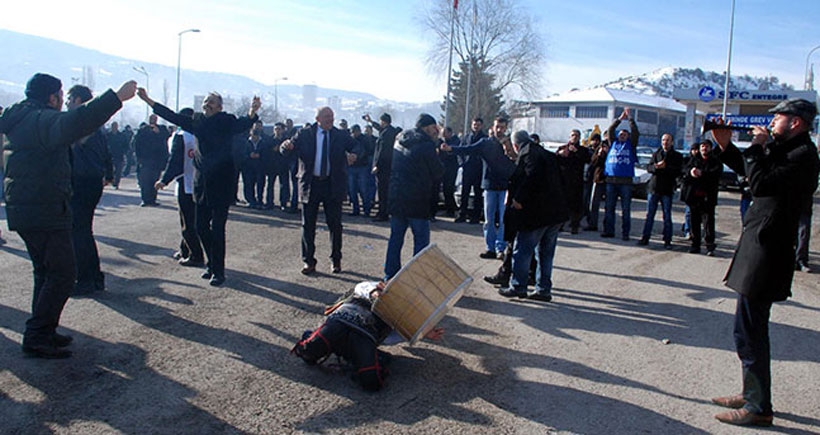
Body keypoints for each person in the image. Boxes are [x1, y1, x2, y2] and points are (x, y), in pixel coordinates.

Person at [0, 73, 136, 358]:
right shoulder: (41, 120)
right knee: (63, 273)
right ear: (52, 97)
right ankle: (37, 334)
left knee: (45, 271)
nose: (63, 101)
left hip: (28, 206)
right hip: (45, 207)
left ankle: (43, 330)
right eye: (60, 95)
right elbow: (76, 121)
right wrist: (116, 97)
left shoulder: (20, 117)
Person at [709, 99, 820, 427]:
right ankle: (751, 392)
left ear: (797, 122)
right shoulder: (786, 149)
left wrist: (757, 146)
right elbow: (750, 171)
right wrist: (727, 148)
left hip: (769, 252)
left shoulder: (803, 156)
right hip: (759, 246)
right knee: (745, 328)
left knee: (752, 330)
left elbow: (759, 183)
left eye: (778, 118)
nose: (771, 123)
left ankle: (759, 407)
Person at [137, 89, 260, 286]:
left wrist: (253, 111)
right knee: (200, 227)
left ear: (219, 106)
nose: (206, 104)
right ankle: (211, 264)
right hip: (201, 183)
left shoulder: (226, 121)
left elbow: (244, 123)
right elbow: (171, 115)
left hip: (222, 182)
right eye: (205, 101)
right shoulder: (197, 121)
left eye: (211, 102)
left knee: (218, 229)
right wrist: (147, 100)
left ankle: (218, 271)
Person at [291, 280, 444, 391]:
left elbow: (392, 337)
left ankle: (363, 358)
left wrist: (422, 332)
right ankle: (311, 337)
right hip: (342, 321)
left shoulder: (400, 316)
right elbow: (361, 287)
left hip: (364, 337)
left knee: (371, 384)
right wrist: (375, 293)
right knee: (308, 351)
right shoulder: (375, 287)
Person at [281, 106, 361, 275]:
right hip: (311, 184)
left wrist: (354, 154)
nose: (330, 120)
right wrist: (285, 146)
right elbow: (289, 149)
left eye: (332, 117)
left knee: (335, 225)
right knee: (308, 225)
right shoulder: (305, 134)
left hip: (332, 184)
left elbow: (357, 146)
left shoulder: (340, 135)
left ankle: (336, 260)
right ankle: (308, 261)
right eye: (326, 117)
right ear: (318, 118)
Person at [497, 130, 568, 302]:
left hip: (537, 213)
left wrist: (519, 199)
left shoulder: (528, 154)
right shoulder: (546, 154)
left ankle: (518, 286)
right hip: (556, 212)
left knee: (522, 250)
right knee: (545, 253)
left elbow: (530, 177)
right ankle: (543, 289)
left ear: (516, 144)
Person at [442, 117, 516, 260]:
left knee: (502, 220)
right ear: (493, 127)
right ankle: (490, 248)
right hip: (489, 185)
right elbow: (468, 149)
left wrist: (510, 151)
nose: (499, 130)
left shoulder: (510, 144)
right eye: (497, 127)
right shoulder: (485, 143)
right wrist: (451, 149)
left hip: (505, 186)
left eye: (502, 127)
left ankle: (500, 248)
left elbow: (517, 161)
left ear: (506, 128)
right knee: (489, 220)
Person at [65, 85, 114, 296]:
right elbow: (106, 154)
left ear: (77, 100)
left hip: (82, 181)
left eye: (69, 99)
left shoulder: (83, 122)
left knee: (79, 232)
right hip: (91, 180)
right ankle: (93, 277)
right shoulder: (96, 123)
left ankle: (86, 279)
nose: (66, 103)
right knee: (84, 231)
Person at [383, 114, 444, 280]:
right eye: (434, 128)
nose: (436, 131)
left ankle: (390, 275)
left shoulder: (399, 140)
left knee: (395, 239)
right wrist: (437, 148)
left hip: (397, 196)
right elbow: (438, 172)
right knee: (421, 242)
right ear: (426, 127)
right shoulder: (426, 145)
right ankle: (417, 278)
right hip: (418, 199)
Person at [155, 108, 205, 268]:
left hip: (185, 181)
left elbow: (175, 162)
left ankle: (196, 255)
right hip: (199, 181)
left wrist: (164, 180)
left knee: (187, 222)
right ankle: (185, 249)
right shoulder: (200, 134)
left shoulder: (180, 137)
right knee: (193, 218)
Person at [638, 133, 683, 248]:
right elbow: (649, 168)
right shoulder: (657, 153)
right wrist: (656, 167)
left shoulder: (677, 156)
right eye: (663, 140)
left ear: (672, 142)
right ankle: (645, 237)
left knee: (667, 216)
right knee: (650, 215)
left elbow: (678, 171)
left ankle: (668, 240)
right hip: (654, 189)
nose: (665, 142)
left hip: (667, 189)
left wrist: (666, 167)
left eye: (668, 140)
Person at [602, 108, 639, 240]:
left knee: (626, 209)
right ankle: (609, 231)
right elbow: (611, 130)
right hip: (611, 181)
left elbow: (635, 132)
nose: (622, 135)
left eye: (625, 134)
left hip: (626, 182)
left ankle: (625, 233)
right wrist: (619, 119)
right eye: (621, 134)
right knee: (609, 208)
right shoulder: (613, 143)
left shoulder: (631, 145)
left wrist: (630, 119)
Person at [680, 140, 722, 255]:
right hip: (694, 197)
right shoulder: (693, 159)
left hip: (708, 198)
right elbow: (684, 170)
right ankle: (695, 245)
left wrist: (702, 173)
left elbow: (716, 175)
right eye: (702, 146)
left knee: (708, 223)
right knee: (694, 222)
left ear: (710, 148)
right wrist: (691, 172)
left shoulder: (715, 161)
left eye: (707, 146)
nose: (704, 148)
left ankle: (709, 246)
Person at [365, 113, 401, 222]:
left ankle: (383, 213)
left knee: (383, 191)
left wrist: (377, 165)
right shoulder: (388, 131)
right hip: (387, 166)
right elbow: (379, 129)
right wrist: (370, 121)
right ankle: (382, 211)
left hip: (384, 167)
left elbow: (382, 151)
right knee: (383, 191)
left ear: (384, 121)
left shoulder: (386, 134)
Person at [557, 129, 592, 234]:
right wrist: (560, 154)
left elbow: (587, 160)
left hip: (577, 182)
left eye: (576, 135)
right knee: (562, 204)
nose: (574, 137)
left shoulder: (583, 150)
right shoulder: (563, 148)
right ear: (569, 136)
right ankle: (560, 225)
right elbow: (555, 160)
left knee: (576, 206)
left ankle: (575, 226)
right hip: (564, 181)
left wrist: (576, 152)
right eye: (573, 135)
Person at [454, 117, 487, 224]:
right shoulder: (466, 137)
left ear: (481, 126)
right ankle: (462, 214)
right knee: (465, 193)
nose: (476, 126)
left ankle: (475, 216)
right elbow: (460, 150)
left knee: (478, 194)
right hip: (467, 168)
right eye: (474, 124)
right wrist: (462, 164)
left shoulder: (484, 138)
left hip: (479, 170)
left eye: (478, 124)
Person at [133, 114, 169, 206]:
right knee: (145, 181)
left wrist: (158, 132)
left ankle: (152, 199)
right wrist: (138, 158)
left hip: (157, 161)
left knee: (154, 180)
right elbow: (136, 144)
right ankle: (145, 200)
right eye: (151, 119)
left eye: (154, 119)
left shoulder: (162, 129)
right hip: (145, 160)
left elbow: (166, 137)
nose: (153, 120)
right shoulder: (143, 130)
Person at [347, 124, 373, 217]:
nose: (353, 134)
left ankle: (366, 210)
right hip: (351, 167)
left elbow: (367, 152)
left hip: (362, 167)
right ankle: (355, 209)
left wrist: (355, 157)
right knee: (352, 190)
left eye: (355, 132)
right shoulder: (349, 140)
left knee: (364, 189)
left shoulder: (365, 139)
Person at [585, 133, 608, 231]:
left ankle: (607, 227)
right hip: (597, 178)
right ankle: (592, 224)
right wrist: (599, 154)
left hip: (609, 179)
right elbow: (593, 163)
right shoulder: (595, 149)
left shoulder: (613, 149)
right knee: (593, 203)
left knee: (608, 205)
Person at [106, 121, 130, 189]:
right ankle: (111, 180)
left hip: (119, 155)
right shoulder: (108, 135)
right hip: (109, 156)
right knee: (111, 169)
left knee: (118, 171)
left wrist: (125, 152)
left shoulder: (121, 136)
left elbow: (126, 145)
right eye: (113, 126)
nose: (114, 128)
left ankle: (116, 183)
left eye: (115, 126)